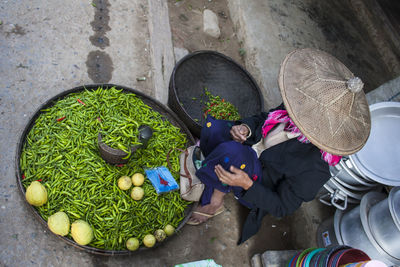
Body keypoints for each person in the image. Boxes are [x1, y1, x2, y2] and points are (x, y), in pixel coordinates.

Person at [186, 48, 371, 244]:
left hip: (257, 181)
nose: (298, 112)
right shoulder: (300, 106)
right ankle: (214, 172)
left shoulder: (316, 169)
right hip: (250, 147)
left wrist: (246, 184)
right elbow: (263, 118)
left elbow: (282, 207)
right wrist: (246, 129)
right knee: (213, 127)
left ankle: (214, 201)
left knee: (233, 154)